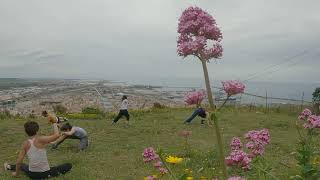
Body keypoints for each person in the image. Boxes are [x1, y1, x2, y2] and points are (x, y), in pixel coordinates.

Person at [3, 121, 72, 179]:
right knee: (68, 165)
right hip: (46, 173)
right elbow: (56, 135)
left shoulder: (25, 144)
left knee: (23, 166)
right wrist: (54, 124)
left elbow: (19, 162)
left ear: (26, 131)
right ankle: (49, 174)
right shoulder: (40, 139)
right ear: (37, 130)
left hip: (32, 175)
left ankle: (9, 166)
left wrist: (16, 174)